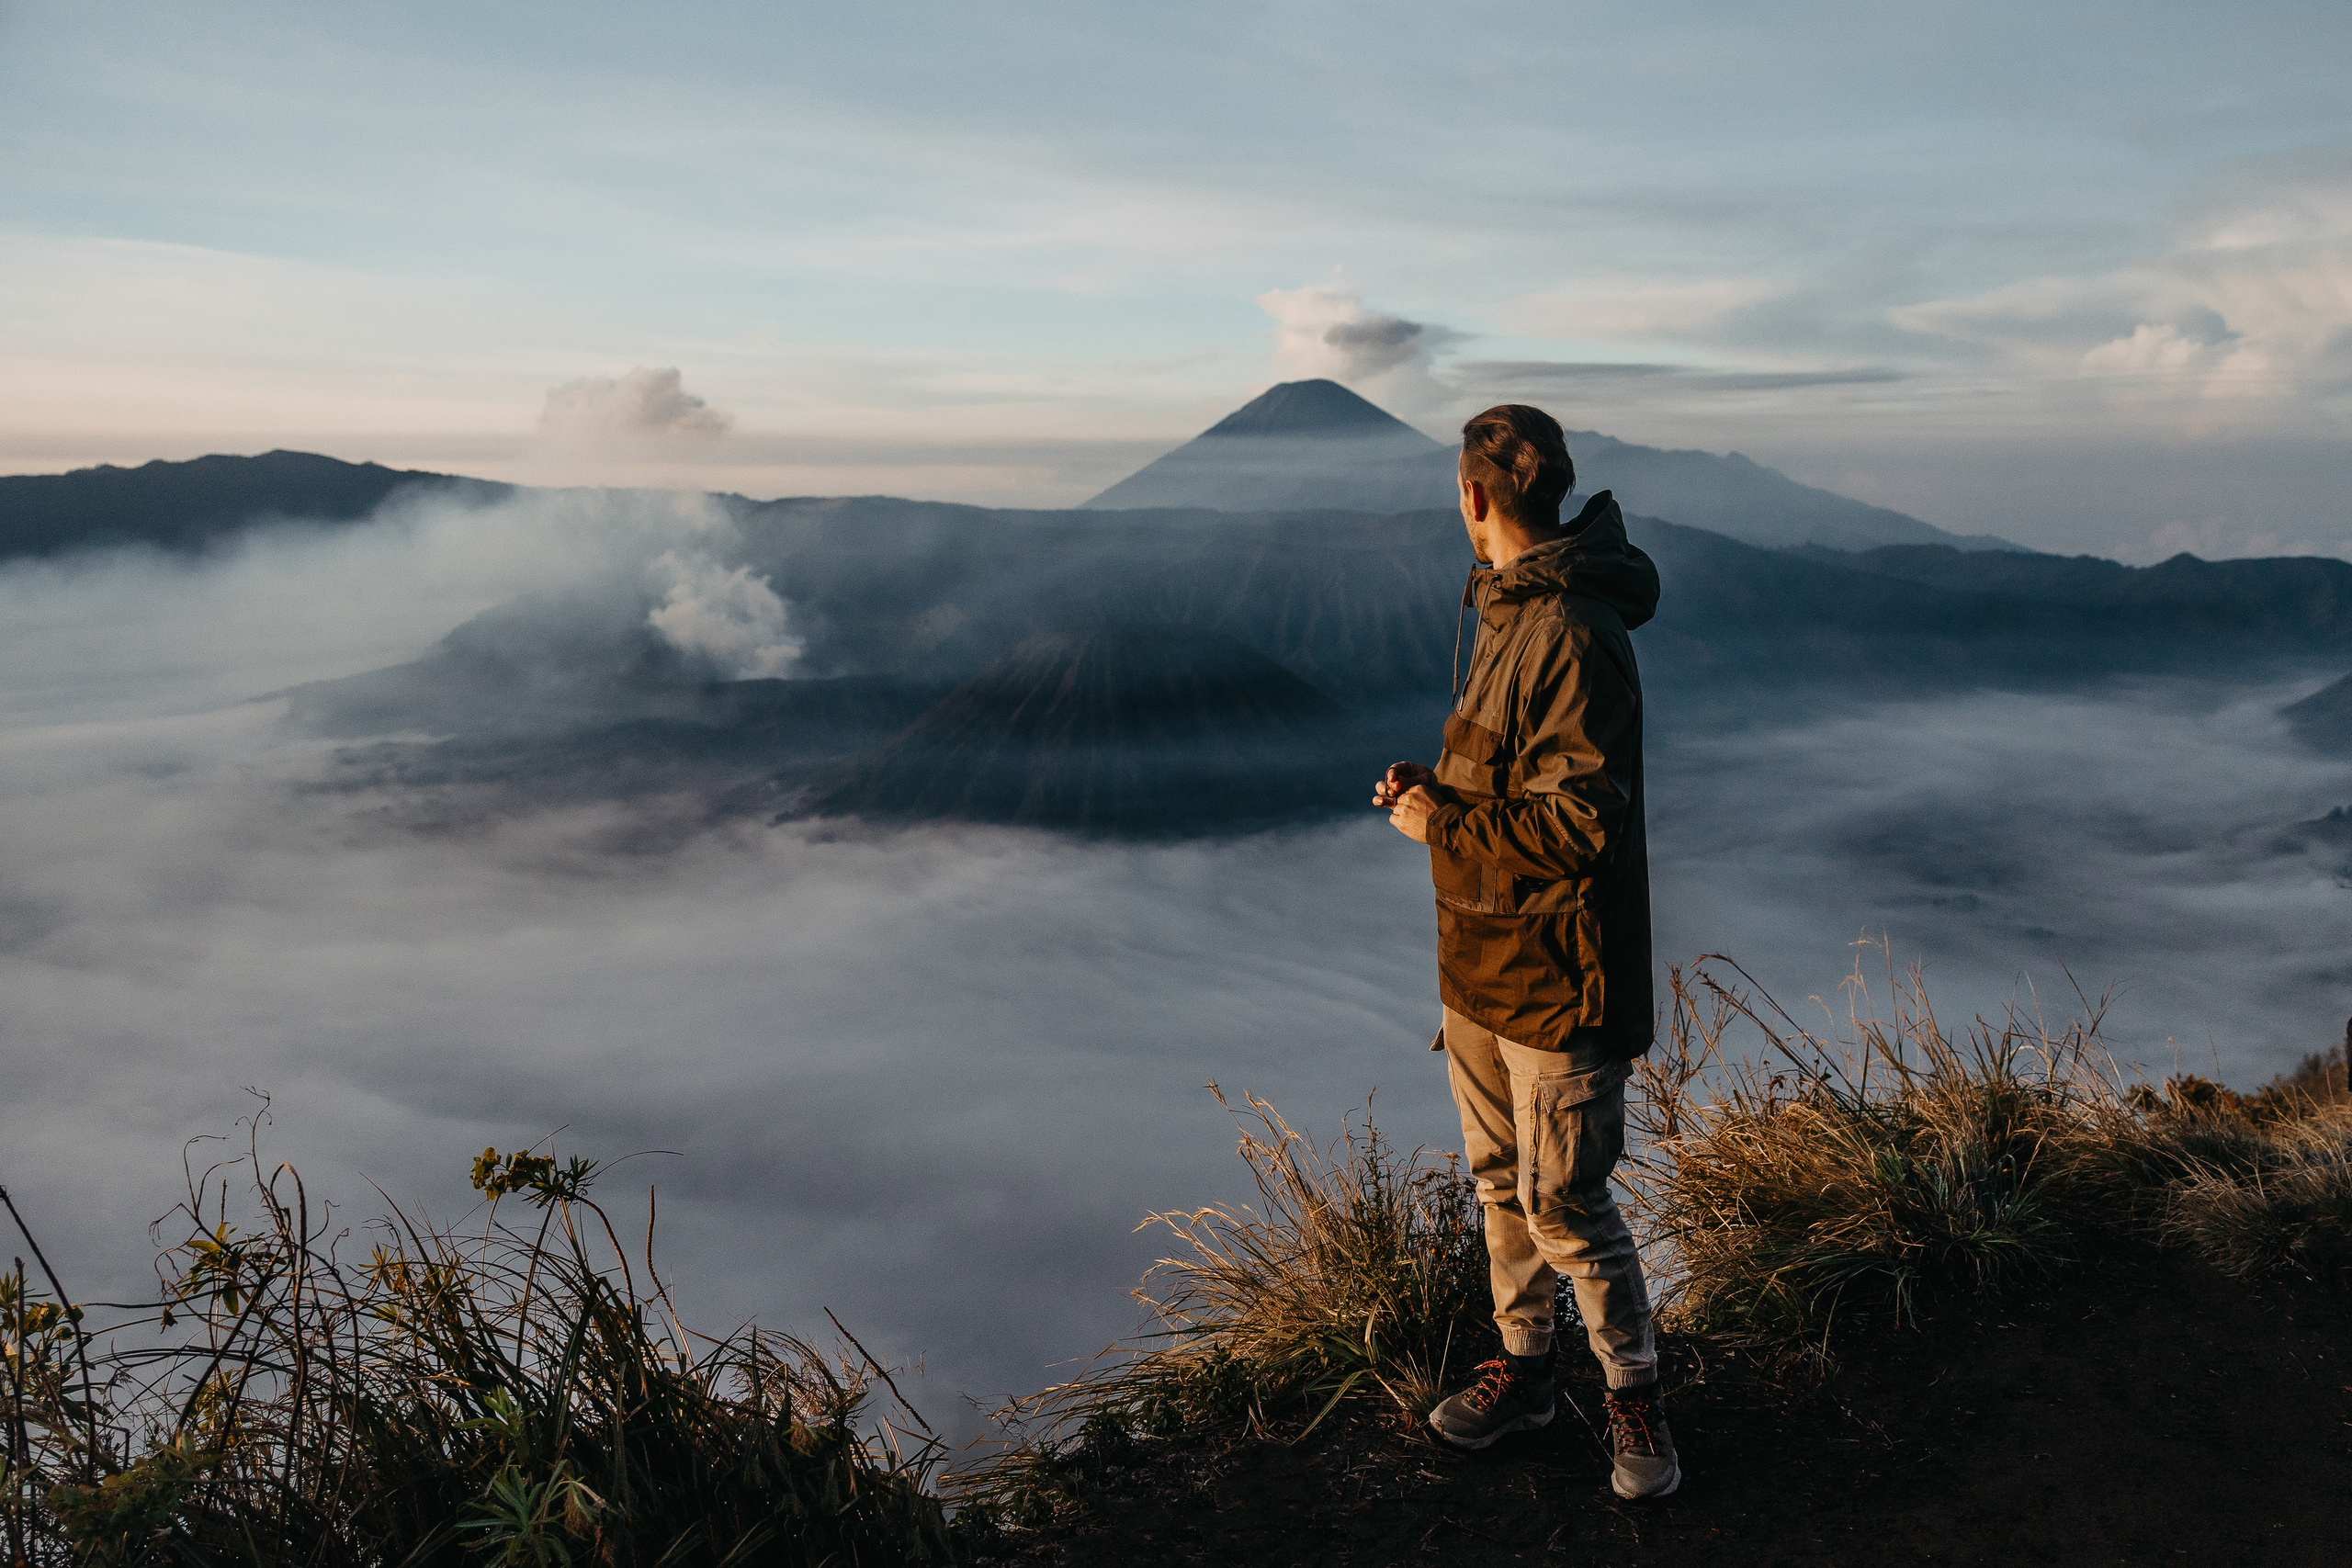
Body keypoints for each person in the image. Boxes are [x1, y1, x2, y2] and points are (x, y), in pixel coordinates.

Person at [1373, 404, 1675, 1499]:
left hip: (1559, 983)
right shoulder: (1510, 613)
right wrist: (1440, 790)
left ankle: (1633, 1399)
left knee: (1565, 1203)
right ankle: (1530, 1375)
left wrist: (1438, 828)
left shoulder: (1571, 632)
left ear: (1472, 498)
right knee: (1502, 1185)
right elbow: (1522, 784)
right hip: (1483, 971)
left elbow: (1582, 825)